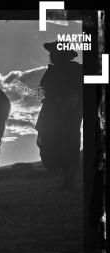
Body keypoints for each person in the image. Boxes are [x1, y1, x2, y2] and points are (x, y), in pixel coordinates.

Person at [35, 41, 83, 190]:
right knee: (47, 141)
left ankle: (69, 180)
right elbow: (43, 88)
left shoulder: (76, 69)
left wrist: (71, 102)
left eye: (54, 51)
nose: (51, 54)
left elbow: (79, 90)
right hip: (51, 110)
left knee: (68, 144)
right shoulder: (52, 70)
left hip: (69, 112)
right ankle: (65, 178)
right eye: (51, 51)